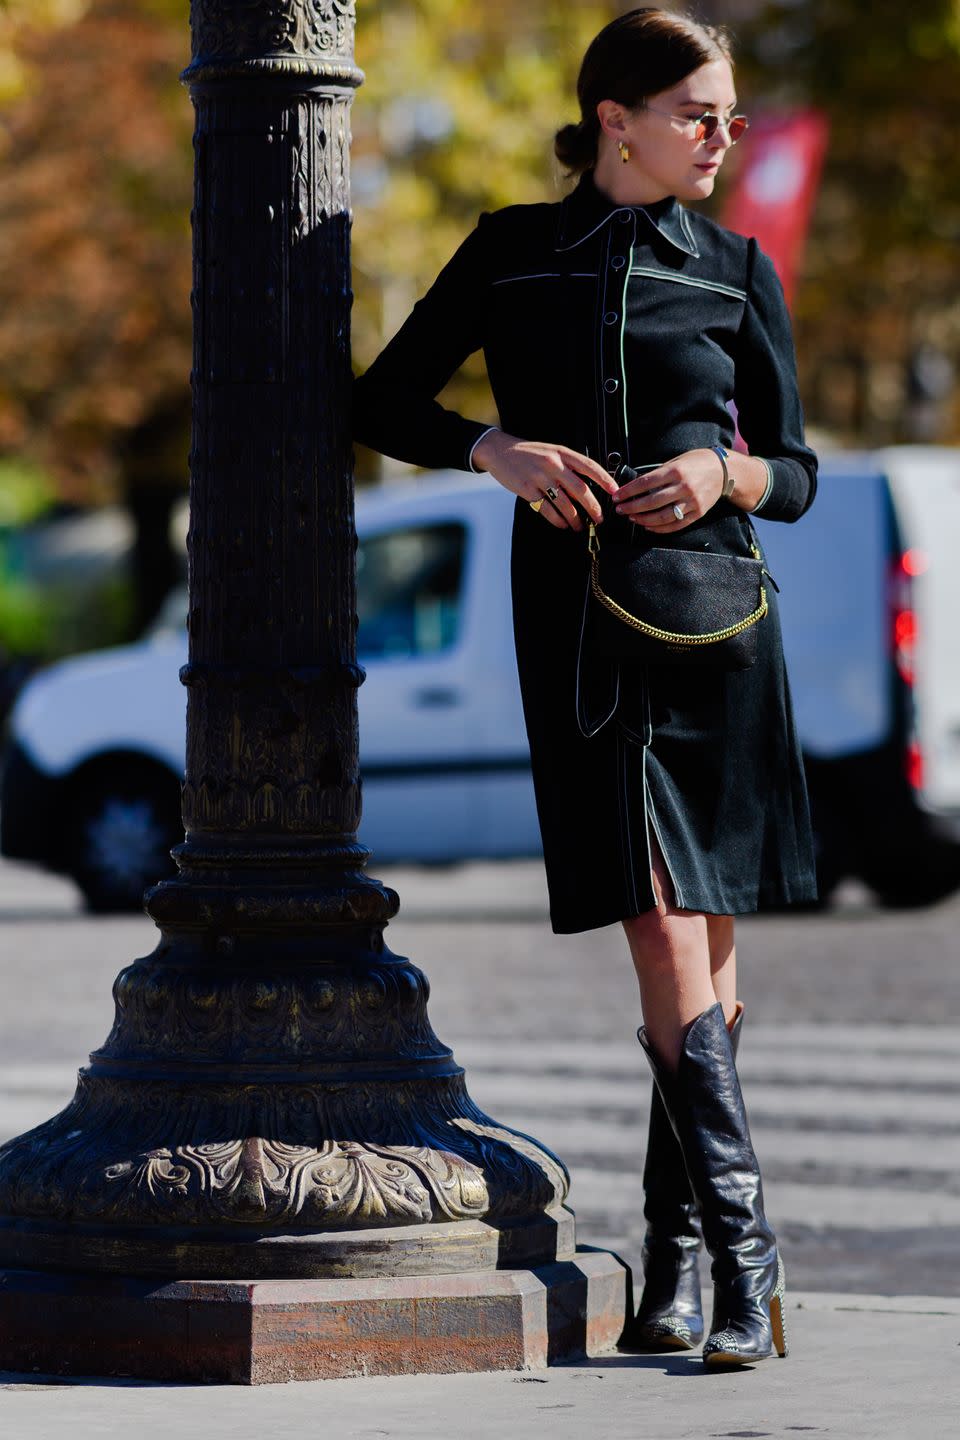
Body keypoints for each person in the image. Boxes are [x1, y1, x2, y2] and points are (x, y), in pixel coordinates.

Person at [353, 7, 817, 1370]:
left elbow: (794, 469)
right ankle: (751, 1263)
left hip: (721, 624)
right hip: (581, 632)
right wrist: (492, 446)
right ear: (617, 120)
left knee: (709, 950)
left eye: (729, 113)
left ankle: (679, 1260)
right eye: (700, 113)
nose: (724, 135)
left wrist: (726, 474)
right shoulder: (511, 252)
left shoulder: (737, 268)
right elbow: (381, 400)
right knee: (665, 924)